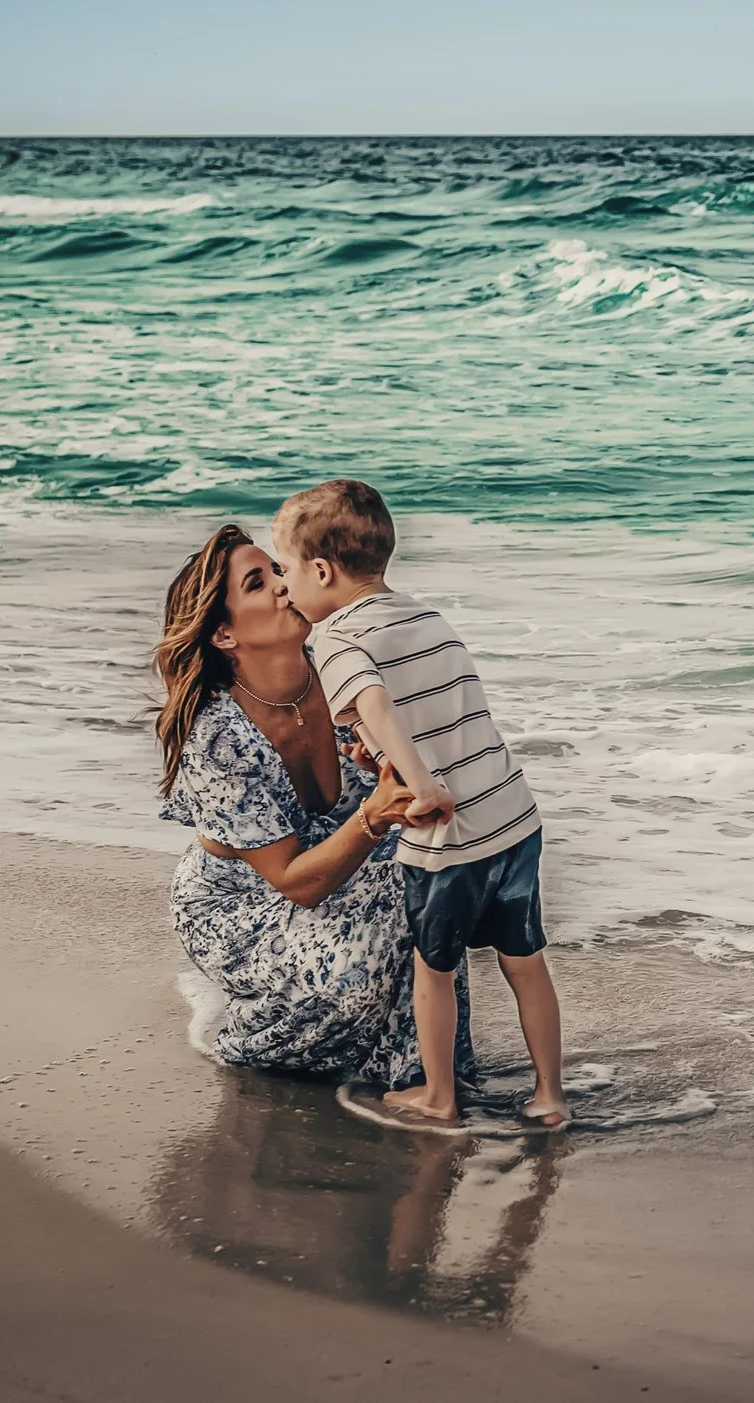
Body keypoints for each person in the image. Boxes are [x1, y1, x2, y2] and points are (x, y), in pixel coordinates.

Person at [270, 479, 567, 1132]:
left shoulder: (336, 639)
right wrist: (383, 758)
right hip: (511, 813)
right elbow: (443, 709)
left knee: (433, 968)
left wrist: (420, 780)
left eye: (287, 569)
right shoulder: (428, 617)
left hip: (447, 839)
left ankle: (439, 1097)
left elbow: (373, 699)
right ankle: (550, 1095)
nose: (284, 586)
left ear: (322, 569)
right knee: (525, 959)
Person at [156, 522, 473, 1088]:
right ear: (225, 635)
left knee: (430, 873)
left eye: (279, 569)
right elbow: (296, 883)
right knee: (352, 974)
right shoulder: (216, 736)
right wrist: (376, 813)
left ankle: (431, 1074)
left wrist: (393, 776)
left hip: (341, 874)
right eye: (258, 582)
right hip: (239, 908)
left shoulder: (345, 670)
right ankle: (251, 1036)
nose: (283, 584)